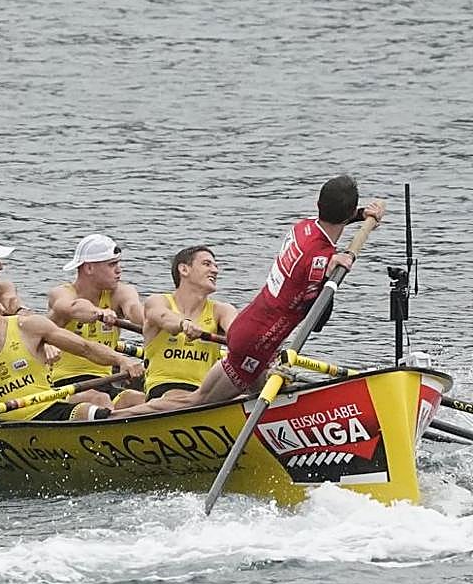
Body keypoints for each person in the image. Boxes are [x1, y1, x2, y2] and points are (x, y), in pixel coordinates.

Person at [118, 177, 386, 417]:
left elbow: (331, 223)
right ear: (348, 212)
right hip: (259, 343)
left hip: (251, 325)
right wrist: (332, 275)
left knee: (274, 395)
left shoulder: (303, 228)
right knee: (196, 401)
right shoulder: (319, 261)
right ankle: (115, 419)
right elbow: (316, 321)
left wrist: (362, 216)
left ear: (318, 204)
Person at [0, 275, 144, 421]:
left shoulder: (29, 326)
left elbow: (86, 348)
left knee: (97, 413)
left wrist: (122, 360)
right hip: (5, 421)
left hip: (46, 408)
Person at [47, 234, 145, 391]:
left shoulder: (120, 293)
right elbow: (72, 307)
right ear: (89, 268)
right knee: (99, 398)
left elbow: (136, 312)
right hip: (62, 382)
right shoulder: (61, 293)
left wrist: (160, 321)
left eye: (118, 263)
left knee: (136, 399)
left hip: (103, 380)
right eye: (112, 264)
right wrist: (98, 312)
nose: (119, 270)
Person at [141, 246, 238, 401]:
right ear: (184, 269)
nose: (215, 270)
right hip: (163, 389)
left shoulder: (222, 310)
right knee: (176, 396)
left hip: (203, 391)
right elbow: (163, 317)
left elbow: (238, 332)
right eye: (207, 264)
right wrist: (183, 323)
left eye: (216, 266)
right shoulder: (158, 301)